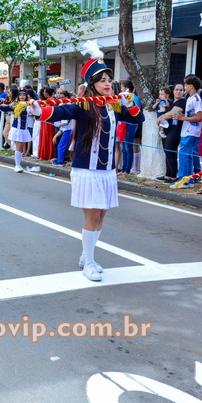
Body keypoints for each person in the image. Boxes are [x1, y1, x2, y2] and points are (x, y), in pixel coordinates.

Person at [25, 43, 141, 281]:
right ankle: (89, 262)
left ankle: (85, 255)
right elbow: (60, 112)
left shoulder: (114, 104)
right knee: (92, 217)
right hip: (87, 170)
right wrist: (37, 111)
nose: (107, 83)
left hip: (107, 170)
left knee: (102, 216)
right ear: (92, 83)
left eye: (109, 79)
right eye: (102, 80)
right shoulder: (83, 104)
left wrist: (130, 102)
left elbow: (138, 119)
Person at [174, 74, 202, 187]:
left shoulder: (196, 99)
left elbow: (199, 117)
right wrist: (182, 115)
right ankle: (189, 180)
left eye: (186, 85)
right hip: (187, 130)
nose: (185, 87)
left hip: (191, 131)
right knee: (188, 156)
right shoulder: (189, 98)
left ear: (191, 86)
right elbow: (191, 115)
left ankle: (183, 180)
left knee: (184, 156)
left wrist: (182, 118)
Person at [157, 83, 186, 183]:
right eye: (176, 89)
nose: (178, 92)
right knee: (167, 151)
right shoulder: (172, 102)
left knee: (171, 151)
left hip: (175, 130)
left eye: (181, 90)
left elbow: (173, 113)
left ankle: (173, 176)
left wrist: (161, 117)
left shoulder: (182, 101)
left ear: (183, 92)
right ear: (173, 91)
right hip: (167, 129)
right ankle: (167, 174)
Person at [3, 86, 32, 172]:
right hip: (17, 129)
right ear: (18, 96)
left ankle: (18, 164)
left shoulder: (28, 105)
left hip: (24, 129)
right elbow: (5, 108)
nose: (22, 96)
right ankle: (17, 165)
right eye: (20, 95)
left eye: (24, 95)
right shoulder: (15, 104)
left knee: (21, 147)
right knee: (19, 147)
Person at [118, 79, 140, 176]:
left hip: (130, 125)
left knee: (128, 147)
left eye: (122, 87)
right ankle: (123, 169)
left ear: (126, 88)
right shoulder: (122, 97)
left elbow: (135, 112)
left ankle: (127, 170)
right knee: (123, 148)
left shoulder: (134, 98)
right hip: (122, 124)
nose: (121, 89)